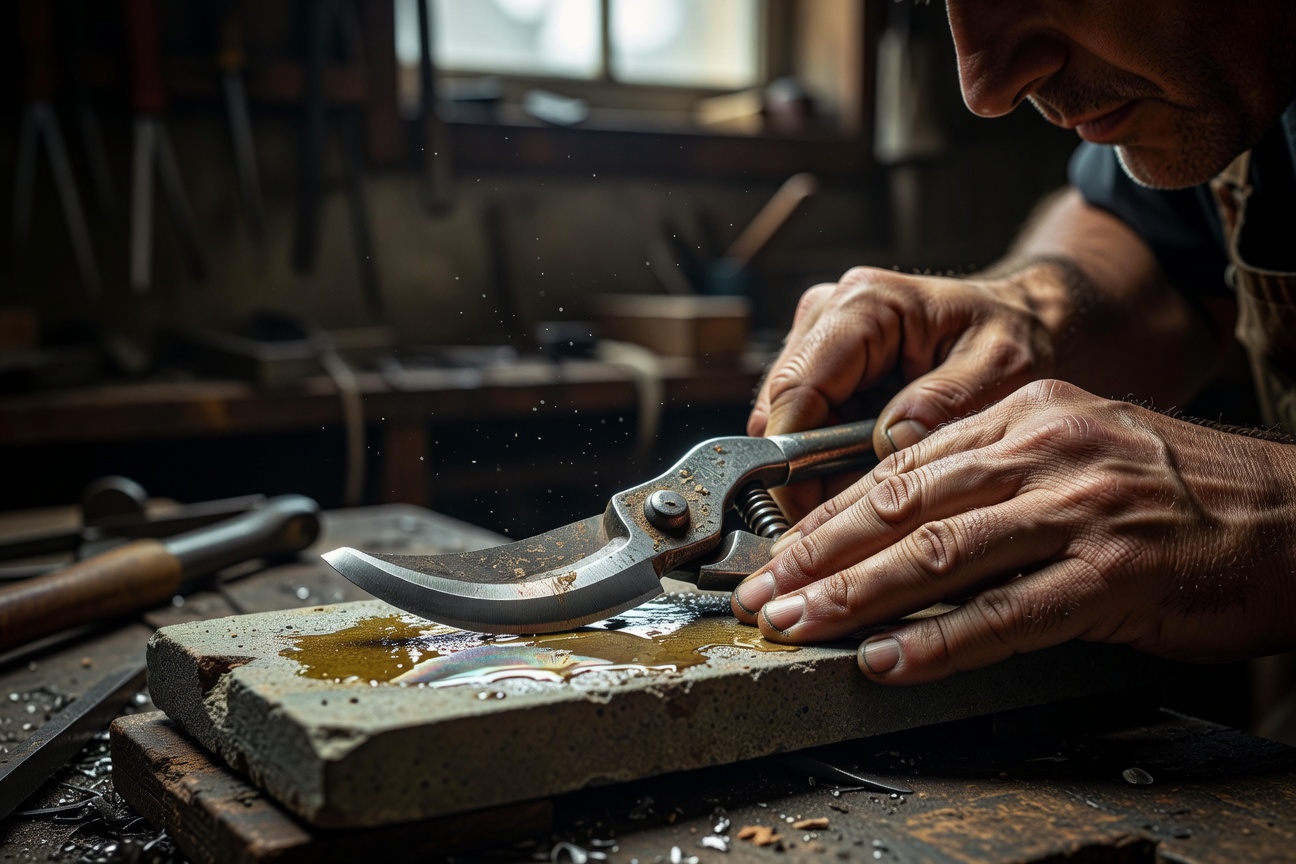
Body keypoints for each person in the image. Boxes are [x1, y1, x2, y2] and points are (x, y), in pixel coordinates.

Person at [730, 0, 1296, 687]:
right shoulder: (1227, 79)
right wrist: (1033, 311)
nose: (985, 88)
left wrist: (1279, 515)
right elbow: (1150, 239)